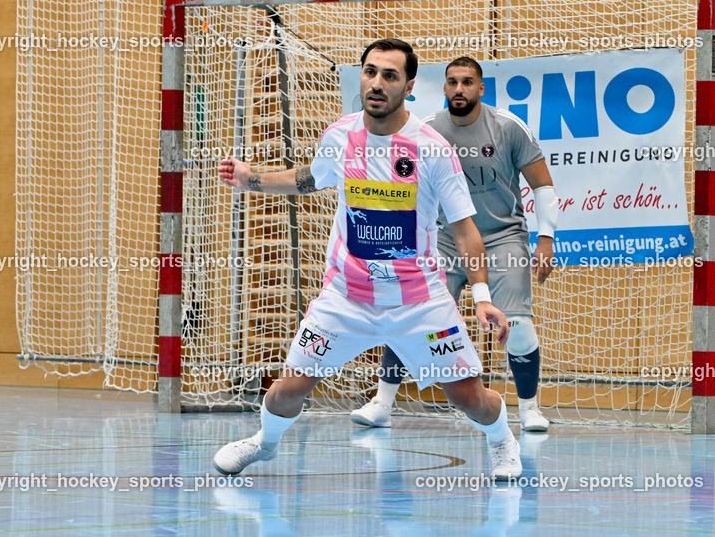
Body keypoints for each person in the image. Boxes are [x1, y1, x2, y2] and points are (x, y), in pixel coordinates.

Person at [213, 39, 522, 480]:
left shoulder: (433, 149)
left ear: (409, 87)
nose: (377, 83)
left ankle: (502, 441)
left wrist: (482, 296)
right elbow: (309, 178)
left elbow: (464, 230)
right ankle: (264, 443)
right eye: (370, 72)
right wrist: (253, 179)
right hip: (346, 297)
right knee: (288, 389)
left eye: (390, 76)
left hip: (418, 301)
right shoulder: (341, 135)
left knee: (469, 397)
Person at [351, 56, 560, 432]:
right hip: (446, 240)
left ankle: (529, 408)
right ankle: (381, 402)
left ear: (481, 88)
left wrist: (546, 239)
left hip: (503, 238)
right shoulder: (428, 131)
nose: (459, 89)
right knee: (408, 315)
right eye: (452, 82)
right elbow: (401, 185)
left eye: (467, 82)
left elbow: (542, 185)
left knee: (518, 325)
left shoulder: (508, 127)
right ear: (444, 87)